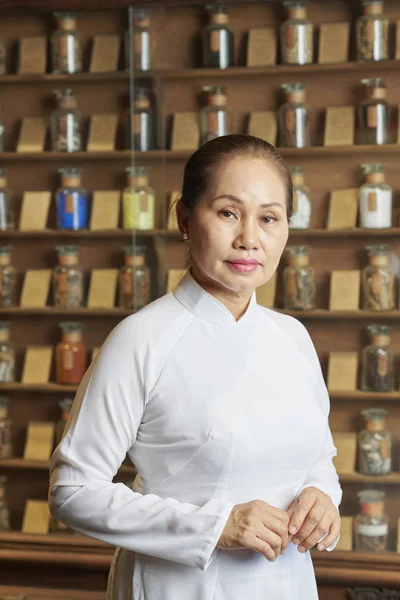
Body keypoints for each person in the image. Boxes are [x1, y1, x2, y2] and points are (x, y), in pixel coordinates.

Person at [49, 134, 342, 600]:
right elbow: (73, 491)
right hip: (179, 587)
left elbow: (318, 461)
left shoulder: (292, 337)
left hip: (287, 584)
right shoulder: (142, 338)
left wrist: (323, 497)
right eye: (228, 213)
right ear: (185, 219)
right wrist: (216, 525)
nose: (249, 238)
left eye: (269, 218)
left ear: (287, 228)